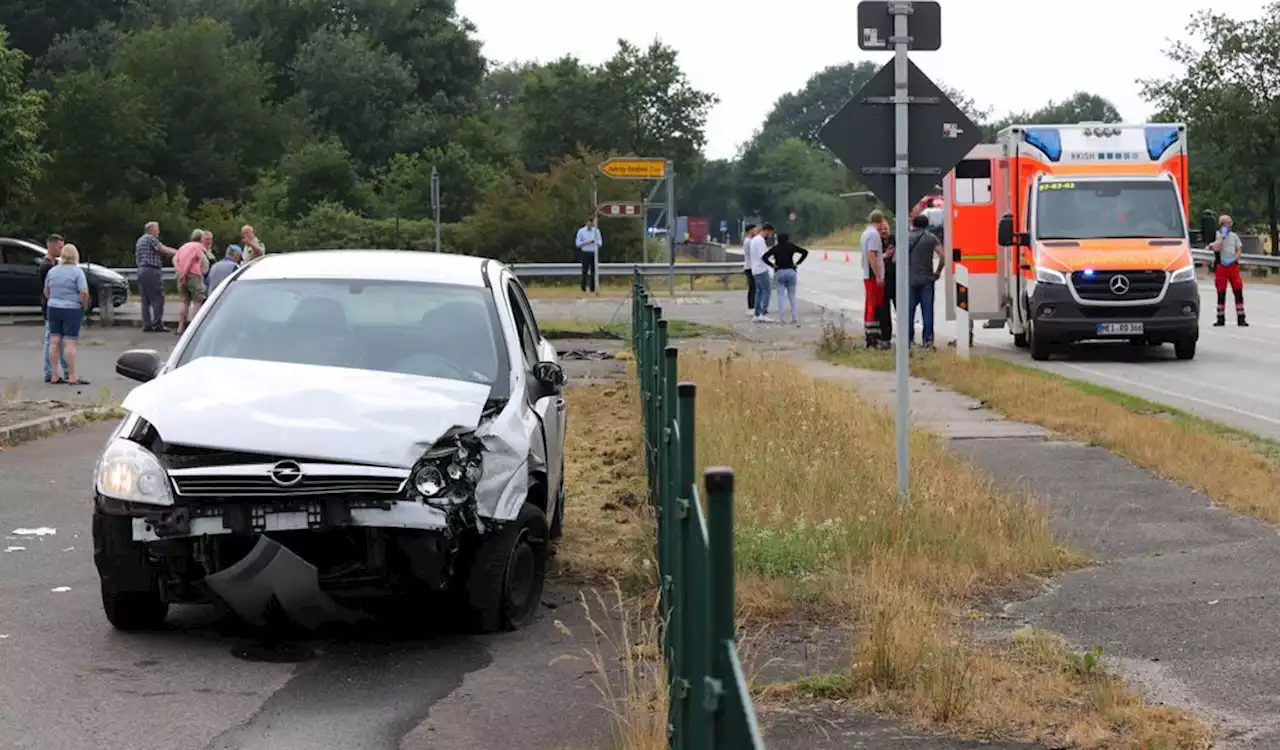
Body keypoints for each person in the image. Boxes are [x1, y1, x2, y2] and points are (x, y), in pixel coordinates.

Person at [43, 243, 90, 385]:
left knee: (54, 341)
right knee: (69, 342)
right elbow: (84, 292)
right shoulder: (77, 272)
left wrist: (53, 299)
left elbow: (46, 291)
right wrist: (83, 304)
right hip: (71, 309)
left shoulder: (53, 271)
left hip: (53, 308)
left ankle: (54, 374)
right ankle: (72, 375)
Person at [906, 214, 946, 347]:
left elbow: (895, 259)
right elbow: (943, 256)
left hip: (910, 279)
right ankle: (928, 340)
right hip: (927, 280)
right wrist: (938, 272)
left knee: (909, 310)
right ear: (927, 224)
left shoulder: (906, 237)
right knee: (927, 310)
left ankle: (908, 340)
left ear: (913, 224)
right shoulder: (931, 238)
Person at [135, 221, 177, 333]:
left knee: (145, 299)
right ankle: (157, 323)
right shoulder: (150, 239)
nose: (158, 231)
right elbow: (163, 249)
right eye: (157, 229)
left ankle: (147, 324)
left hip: (141, 270)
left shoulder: (140, 240)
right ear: (151, 230)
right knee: (158, 297)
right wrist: (179, 253)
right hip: (151, 270)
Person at [39, 234, 69, 383]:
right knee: (51, 340)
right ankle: (49, 372)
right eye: (59, 246)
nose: (61, 250)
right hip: (50, 307)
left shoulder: (54, 264)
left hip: (53, 306)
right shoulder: (46, 266)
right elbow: (46, 290)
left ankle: (56, 371)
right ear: (51, 246)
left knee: (56, 340)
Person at [763, 233, 809, 325]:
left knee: (780, 295)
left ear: (778, 239)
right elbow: (805, 252)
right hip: (791, 271)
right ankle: (794, 317)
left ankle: (782, 318)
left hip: (779, 271)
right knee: (792, 295)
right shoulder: (791, 246)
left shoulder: (776, 248)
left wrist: (773, 265)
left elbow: (764, 257)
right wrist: (797, 263)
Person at [1210, 214, 1248, 327]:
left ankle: (1241, 318)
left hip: (1232, 266)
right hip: (1221, 266)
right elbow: (1216, 247)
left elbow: (1239, 250)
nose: (1230, 225)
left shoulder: (1234, 236)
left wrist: (1234, 259)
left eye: (1230, 223)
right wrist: (1223, 237)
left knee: (1238, 290)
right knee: (1221, 292)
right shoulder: (1217, 235)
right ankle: (1220, 318)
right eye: (1227, 223)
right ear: (1222, 224)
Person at [174, 230, 210, 335]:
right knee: (197, 301)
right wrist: (185, 274)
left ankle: (180, 328)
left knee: (185, 302)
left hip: (180, 274)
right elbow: (191, 259)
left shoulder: (183, 247)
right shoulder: (198, 246)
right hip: (193, 275)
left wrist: (180, 273)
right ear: (201, 238)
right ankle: (194, 329)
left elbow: (175, 259)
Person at [860, 211, 888, 348]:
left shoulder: (866, 233)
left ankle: (869, 334)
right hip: (872, 275)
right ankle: (872, 337)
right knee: (874, 305)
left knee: (869, 304)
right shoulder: (874, 235)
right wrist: (878, 275)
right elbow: (872, 255)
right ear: (881, 220)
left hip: (868, 274)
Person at [747, 223, 774, 322]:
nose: (770, 235)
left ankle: (756, 314)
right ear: (767, 230)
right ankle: (763, 312)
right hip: (761, 269)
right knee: (767, 291)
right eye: (770, 233)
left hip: (755, 269)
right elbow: (763, 256)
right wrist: (772, 265)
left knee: (759, 292)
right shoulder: (760, 241)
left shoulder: (754, 240)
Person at [878, 220, 897, 344]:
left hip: (895, 279)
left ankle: (905, 336)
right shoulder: (876, 242)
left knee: (901, 309)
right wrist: (885, 255)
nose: (884, 231)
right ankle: (886, 337)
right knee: (883, 311)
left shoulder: (895, 239)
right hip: (883, 280)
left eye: (885, 228)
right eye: (881, 229)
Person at [575, 217, 602, 293]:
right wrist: (586, 242)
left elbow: (600, 242)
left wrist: (595, 242)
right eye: (588, 223)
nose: (590, 224)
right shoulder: (581, 231)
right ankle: (583, 288)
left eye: (591, 223)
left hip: (594, 253)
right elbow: (577, 244)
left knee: (594, 271)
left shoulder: (596, 231)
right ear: (586, 223)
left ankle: (592, 288)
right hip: (585, 252)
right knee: (584, 271)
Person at [741, 223, 758, 316]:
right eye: (754, 230)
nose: (756, 231)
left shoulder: (752, 240)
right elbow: (749, 253)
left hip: (753, 266)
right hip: (750, 266)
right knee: (752, 288)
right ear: (750, 230)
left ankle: (754, 306)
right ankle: (751, 307)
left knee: (755, 288)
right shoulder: (748, 241)